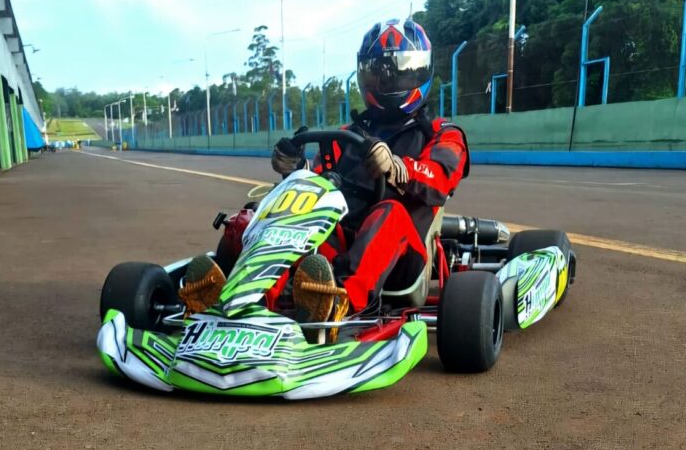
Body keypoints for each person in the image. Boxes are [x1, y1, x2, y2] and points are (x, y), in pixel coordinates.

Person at [179, 18, 469, 330]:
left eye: (397, 72)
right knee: (257, 217)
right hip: (339, 248)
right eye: (376, 71)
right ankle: (246, 302)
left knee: (389, 214)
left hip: (401, 255)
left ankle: (337, 305)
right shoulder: (349, 134)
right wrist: (296, 171)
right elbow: (317, 182)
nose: (386, 81)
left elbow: (439, 179)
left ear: (419, 71)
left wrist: (397, 167)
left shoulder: (443, 134)